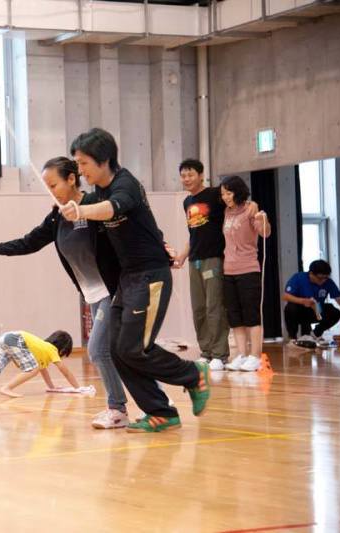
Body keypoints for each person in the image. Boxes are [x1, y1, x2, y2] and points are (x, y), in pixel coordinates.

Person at [62, 127, 209, 433]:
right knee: (117, 349)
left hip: (150, 277)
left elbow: (111, 209)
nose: (80, 170)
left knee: (132, 347)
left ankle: (192, 374)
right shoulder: (99, 190)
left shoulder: (125, 184)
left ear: (103, 160)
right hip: (128, 280)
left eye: (84, 163)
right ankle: (161, 412)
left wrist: (81, 211)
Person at [0, 157, 128, 429]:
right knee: (116, 350)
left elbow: (124, 236)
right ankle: (159, 391)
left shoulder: (92, 208)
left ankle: (117, 409)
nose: (51, 190)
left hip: (112, 290)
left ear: (71, 179)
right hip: (89, 293)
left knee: (98, 350)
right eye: (46, 186)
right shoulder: (56, 217)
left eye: (54, 184)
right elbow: (29, 242)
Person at [171, 159, 230, 370]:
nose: (186, 179)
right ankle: (206, 351)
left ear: (201, 174)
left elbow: (237, 204)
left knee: (214, 306)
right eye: (183, 176)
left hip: (213, 258)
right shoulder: (187, 202)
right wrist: (182, 256)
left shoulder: (215, 194)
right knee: (198, 308)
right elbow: (193, 234)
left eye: (190, 175)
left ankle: (219, 354)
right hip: (194, 260)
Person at [219, 176, 271, 371]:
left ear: (238, 192)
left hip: (248, 268)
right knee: (235, 316)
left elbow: (265, 233)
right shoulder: (227, 211)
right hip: (229, 270)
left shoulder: (251, 208)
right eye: (223, 194)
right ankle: (241, 355)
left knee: (251, 315)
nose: (225, 197)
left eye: (229, 193)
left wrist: (262, 221)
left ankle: (255, 356)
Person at [0, 330, 78, 400]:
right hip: (15, 340)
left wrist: (52, 387)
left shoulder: (42, 349)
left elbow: (43, 370)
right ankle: (6, 388)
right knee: (33, 369)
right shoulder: (51, 349)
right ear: (62, 349)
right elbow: (64, 371)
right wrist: (78, 388)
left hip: (3, 338)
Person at [283, 259, 340, 347]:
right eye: (320, 278)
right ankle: (292, 338)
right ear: (311, 274)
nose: (323, 281)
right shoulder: (298, 278)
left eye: (326, 278)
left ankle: (315, 334)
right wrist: (302, 301)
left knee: (336, 312)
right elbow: (285, 296)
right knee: (290, 307)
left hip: (316, 310)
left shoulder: (328, 282)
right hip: (300, 310)